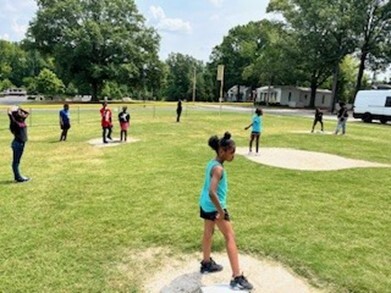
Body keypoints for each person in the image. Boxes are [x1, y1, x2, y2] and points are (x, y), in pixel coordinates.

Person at [199, 132, 253, 290]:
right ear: (222, 151)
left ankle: (206, 263)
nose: (233, 156)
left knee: (208, 233)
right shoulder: (218, 169)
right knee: (230, 236)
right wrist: (221, 212)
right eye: (231, 152)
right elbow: (212, 191)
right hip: (214, 206)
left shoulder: (212, 163)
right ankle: (237, 277)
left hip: (205, 205)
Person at [8, 106, 30, 183]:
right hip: (17, 144)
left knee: (17, 161)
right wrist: (11, 112)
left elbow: (27, 113)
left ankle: (18, 177)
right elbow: (9, 114)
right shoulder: (14, 122)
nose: (21, 113)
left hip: (21, 143)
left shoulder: (21, 120)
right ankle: (18, 177)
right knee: (16, 162)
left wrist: (20, 109)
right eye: (19, 112)